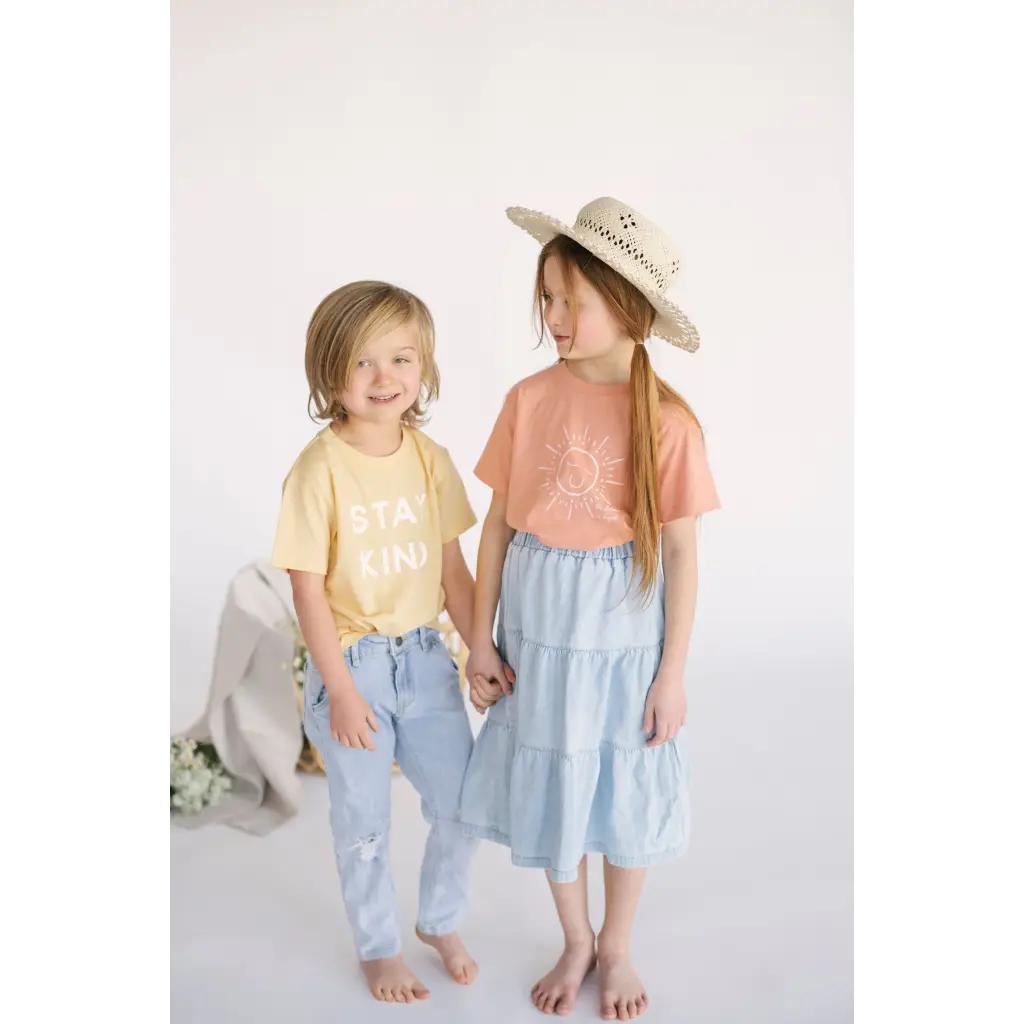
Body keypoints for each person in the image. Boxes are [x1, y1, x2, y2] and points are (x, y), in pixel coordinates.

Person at [460, 198, 722, 1019]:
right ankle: (574, 937)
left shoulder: (668, 424)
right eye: (547, 298)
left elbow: (682, 556)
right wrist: (479, 640)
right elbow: (498, 527)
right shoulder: (528, 399)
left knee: (622, 783)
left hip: (623, 638)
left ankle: (616, 944)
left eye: (573, 300)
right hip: (539, 630)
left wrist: (671, 674)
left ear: (629, 308)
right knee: (557, 776)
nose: (554, 317)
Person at [272, 280, 492, 1004]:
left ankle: (439, 919)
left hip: (425, 659)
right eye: (363, 361)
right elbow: (308, 591)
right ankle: (379, 947)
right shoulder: (318, 470)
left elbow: (453, 571)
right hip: (353, 665)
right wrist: (338, 689)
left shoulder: (429, 459)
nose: (385, 376)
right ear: (329, 371)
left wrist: (480, 649)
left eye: (402, 358)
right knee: (364, 822)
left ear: (424, 366)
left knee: (463, 803)